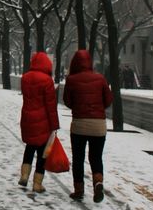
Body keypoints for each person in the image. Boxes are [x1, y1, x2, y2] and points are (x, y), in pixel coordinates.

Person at [63, 49, 113, 202]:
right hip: (99, 125)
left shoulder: (71, 80)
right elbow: (108, 100)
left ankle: (79, 190)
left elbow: (67, 101)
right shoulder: (100, 79)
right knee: (96, 157)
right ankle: (98, 182)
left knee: (78, 158)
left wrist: (79, 107)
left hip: (79, 124)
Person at [19, 51, 60, 193]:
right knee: (43, 152)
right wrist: (55, 125)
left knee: (30, 147)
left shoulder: (25, 77)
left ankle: (24, 175)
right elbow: (51, 106)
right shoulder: (47, 80)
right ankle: (37, 183)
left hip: (27, 117)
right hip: (43, 121)